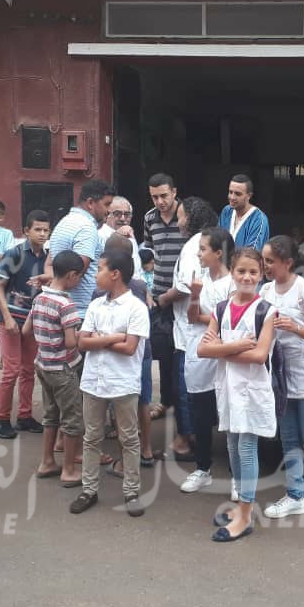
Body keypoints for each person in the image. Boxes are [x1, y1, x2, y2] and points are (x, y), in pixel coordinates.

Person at [197, 247, 278, 542]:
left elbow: (259, 355)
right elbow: (202, 350)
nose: (247, 277)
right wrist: (236, 346)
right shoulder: (221, 308)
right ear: (232, 272)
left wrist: (221, 348)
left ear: (261, 275)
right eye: (241, 271)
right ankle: (242, 507)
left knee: (246, 447)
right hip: (228, 388)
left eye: (253, 272)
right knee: (232, 446)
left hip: (252, 390)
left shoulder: (266, 311)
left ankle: (245, 514)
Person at [69, 249, 150, 518]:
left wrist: (99, 340)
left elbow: (130, 348)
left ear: (115, 274)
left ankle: (132, 491)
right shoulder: (95, 305)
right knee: (92, 437)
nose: (95, 274)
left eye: (100, 268)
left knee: (129, 438)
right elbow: (82, 342)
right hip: (94, 381)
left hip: (123, 382)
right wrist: (114, 337)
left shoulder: (136, 308)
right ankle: (89, 489)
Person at [261, 235, 304, 517]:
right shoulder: (266, 290)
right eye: (264, 260)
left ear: (288, 262)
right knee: (288, 436)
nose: (265, 266)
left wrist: (294, 327)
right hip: (281, 374)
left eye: (270, 261)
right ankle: (295, 495)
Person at [157, 196, 219, 461]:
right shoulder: (206, 242)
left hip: (190, 328)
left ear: (191, 218)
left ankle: (185, 439)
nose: (178, 222)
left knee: (185, 386)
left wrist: (162, 299)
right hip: (198, 325)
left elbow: (185, 286)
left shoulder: (195, 244)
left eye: (181, 216)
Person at [99, 234, 162, 475]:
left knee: (116, 402)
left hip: (117, 354)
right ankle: (146, 449)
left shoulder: (100, 291)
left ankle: (123, 458)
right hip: (142, 352)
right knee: (143, 401)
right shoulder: (141, 286)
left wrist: (104, 341)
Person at [179, 226, 234, 494]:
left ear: (218, 253)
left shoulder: (233, 283)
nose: (199, 254)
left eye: (203, 249)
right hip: (200, 352)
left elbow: (231, 321)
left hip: (225, 354)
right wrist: (195, 296)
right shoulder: (199, 279)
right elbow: (192, 317)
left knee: (230, 417)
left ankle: (238, 475)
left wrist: (208, 317)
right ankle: (203, 469)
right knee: (201, 415)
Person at [24, 250, 86, 484]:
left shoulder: (39, 298)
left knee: (51, 415)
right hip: (63, 368)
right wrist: (82, 335)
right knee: (72, 419)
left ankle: (47, 461)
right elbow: (70, 342)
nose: (79, 281)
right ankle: (69, 470)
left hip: (43, 364)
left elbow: (26, 330)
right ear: (71, 275)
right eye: (79, 276)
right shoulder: (66, 304)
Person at [0, 209, 51, 439]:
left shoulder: (48, 259)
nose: (42, 234)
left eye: (46, 230)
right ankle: (1, 419)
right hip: (10, 319)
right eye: (38, 229)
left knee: (28, 370)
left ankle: (25, 416)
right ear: (27, 231)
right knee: (11, 371)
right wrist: (7, 318)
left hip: (32, 321)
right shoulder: (14, 254)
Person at [37, 179, 114, 322]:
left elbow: (49, 264)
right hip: (81, 312)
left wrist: (52, 281)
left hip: (61, 307)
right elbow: (76, 273)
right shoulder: (86, 228)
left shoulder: (64, 222)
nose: (109, 210)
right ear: (90, 203)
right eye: (107, 204)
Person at [143, 173, 185, 421]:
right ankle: (166, 401)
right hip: (160, 297)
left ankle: (183, 406)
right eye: (154, 197)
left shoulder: (187, 216)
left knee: (183, 355)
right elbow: (150, 252)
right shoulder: (149, 218)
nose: (160, 202)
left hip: (185, 297)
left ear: (174, 192)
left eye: (164, 196)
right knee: (163, 353)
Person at [218, 174, 270, 250]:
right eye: (230, 192)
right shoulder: (226, 211)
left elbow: (251, 253)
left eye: (237, 194)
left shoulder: (259, 219)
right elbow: (217, 240)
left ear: (249, 196)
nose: (232, 197)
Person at [97, 195, 143, 274]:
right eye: (117, 214)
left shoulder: (129, 233)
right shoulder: (100, 235)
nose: (122, 218)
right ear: (107, 215)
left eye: (127, 214)